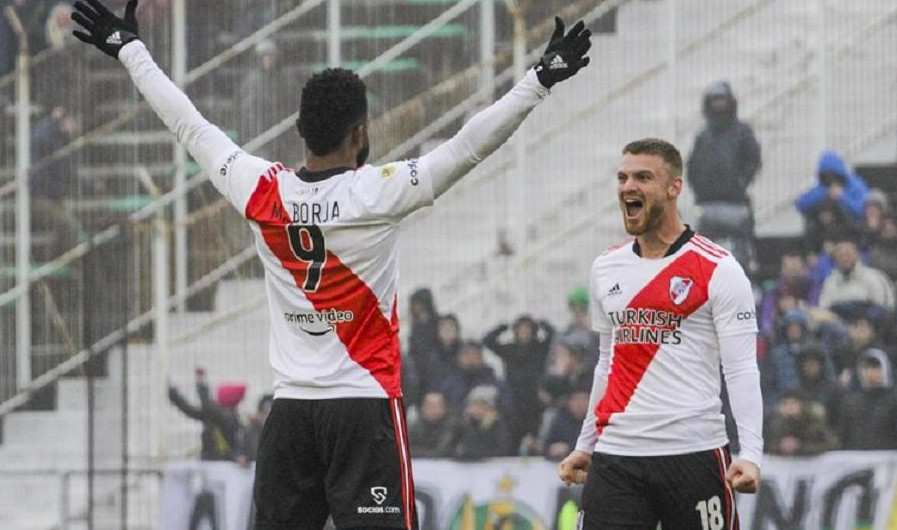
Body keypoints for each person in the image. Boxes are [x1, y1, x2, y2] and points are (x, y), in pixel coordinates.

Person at [71, 2, 593, 529]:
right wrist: (538, 79)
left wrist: (130, 49)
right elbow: (467, 147)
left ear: (299, 129)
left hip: (290, 412)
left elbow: (190, 125)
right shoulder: (379, 191)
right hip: (363, 409)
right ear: (360, 134)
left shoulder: (259, 187)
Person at [557, 139, 763, 529]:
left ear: (674, 188)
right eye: (622, 177)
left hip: (693, 453)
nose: (627, 187)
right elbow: (607, 364)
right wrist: (586, 445)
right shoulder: (606, 267)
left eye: (643, 177)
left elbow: (740, 369)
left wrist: (751, 452)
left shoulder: (718, 268)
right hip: (617, 456)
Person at [686, 81, 762, 270]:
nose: (719, 105)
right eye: (715, 100)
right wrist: (700, 188)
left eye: (722, 100)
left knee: (740, 257)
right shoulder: (703, 137)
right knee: (705, 259)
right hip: (707, 204)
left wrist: (740, 182)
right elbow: (692, 166)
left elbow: (753, 159)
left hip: (735, 204)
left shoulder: (742, 132)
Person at [482, 315, 554, 450]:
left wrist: (542, 322)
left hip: (534, 400)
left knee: (535, 437)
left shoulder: (539, 348)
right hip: (513, 400)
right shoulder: (509, 349)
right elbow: (487, 341)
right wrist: (503, 326)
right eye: (521, 328)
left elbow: (553, 337)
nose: (524, 332)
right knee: (512, 437)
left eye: (528, 328)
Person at [167, 368, 248, 465]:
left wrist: (201, 384)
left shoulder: (228, 418)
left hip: (222, 463)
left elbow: (206, 406)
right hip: (210, 462)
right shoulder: (215, 416)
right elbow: (190, 410)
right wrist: (174, 396)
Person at [833, 350, 897, 450]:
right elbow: (843, 434)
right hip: (855, 459)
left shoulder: (896, 401)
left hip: (886, 460)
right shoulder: (850, 401)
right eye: (866, 368)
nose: (871, 373)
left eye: (876, 368)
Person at [795, 151, 868, 252]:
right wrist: (826, 193)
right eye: (826, 175)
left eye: (833, 174)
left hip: (851, 231)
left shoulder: (856, 185)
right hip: (824, 233)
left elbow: (863, 210)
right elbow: (800, 204)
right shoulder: (822, 188)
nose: (830, 178)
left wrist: (842, 197)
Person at [818, 239, 896, 315]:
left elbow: (884, 308)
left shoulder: (873, 277)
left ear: (857, 255)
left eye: (848, 254)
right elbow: (824, 309)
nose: (844, 259)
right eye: (840, 256)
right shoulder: (830, 281)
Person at [763, 390, 838, 456]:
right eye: (785, 403)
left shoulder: (812, 421)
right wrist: (781, 446)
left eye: (793, 403)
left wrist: (800, 447)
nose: (789, 407)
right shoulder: (778, 423)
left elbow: (832, 444)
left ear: (801, 405)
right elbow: (769, 445)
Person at [453, 385, 511, 460]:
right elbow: (456, 448)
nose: (477, 409)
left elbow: (502, 450)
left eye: (481, 406)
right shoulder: (462, 424)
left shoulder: (498, 425)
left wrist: (484, 429)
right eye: (474, 405)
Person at [406, 391, 458, 458]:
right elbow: (407, 449)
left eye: (437, 406)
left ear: (444, 408)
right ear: (423, 408)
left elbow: (444, 450)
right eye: (430, 406)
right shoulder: (413, 427)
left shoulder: (451, 427)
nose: (433, 410)